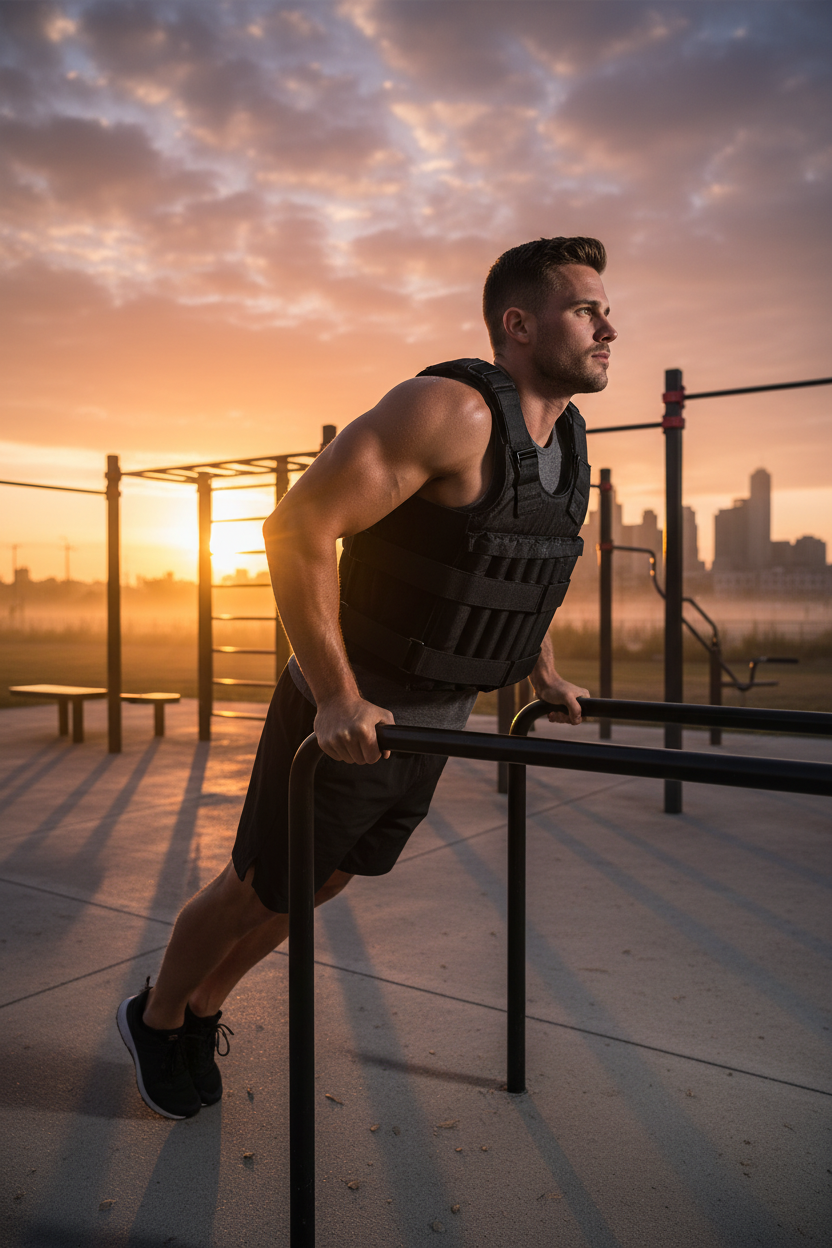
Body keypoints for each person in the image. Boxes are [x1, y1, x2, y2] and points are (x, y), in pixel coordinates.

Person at [117, 235, 617, 1119]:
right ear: (518, 323)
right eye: (585, 308)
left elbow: (524, 563)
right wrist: (339, 695)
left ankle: (203, 1005)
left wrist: (539, 668)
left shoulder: (566, 439)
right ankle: (155, 1018)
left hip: (430, 720)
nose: (607, 326)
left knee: (327, 880)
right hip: (345, 710)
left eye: (604, 310)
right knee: (255, 883)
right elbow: (296, 528)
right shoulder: (448, 410)